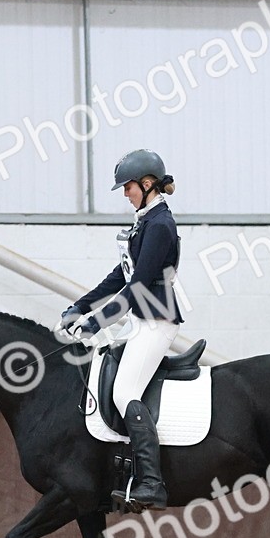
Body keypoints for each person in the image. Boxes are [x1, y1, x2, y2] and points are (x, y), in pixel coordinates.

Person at [58, 149, 183, 511]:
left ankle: (151, 483)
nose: (125, 193)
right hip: (139, 321)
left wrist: (95, 322)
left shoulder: (160, 225)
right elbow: (121, 276)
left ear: (147, 184)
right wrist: (81, 305)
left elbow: (140, 285)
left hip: (157, 321)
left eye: (127, 187)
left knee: (124, 390)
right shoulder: (144, 221)